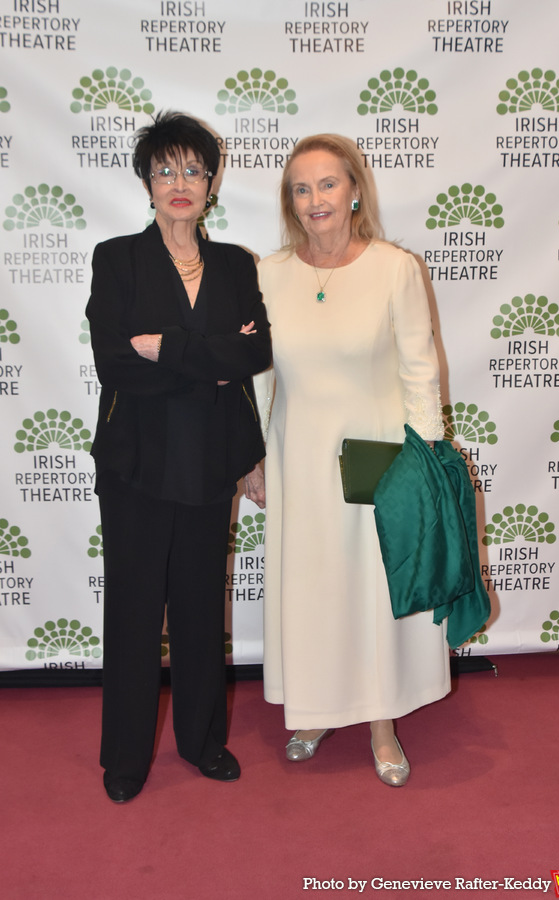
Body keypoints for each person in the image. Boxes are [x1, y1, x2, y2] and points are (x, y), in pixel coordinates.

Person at [246, 134, 449, 787]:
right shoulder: (268, 274)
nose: (315, 200)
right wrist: (253, 458)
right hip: (298, 458)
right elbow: (256, 378)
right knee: (312, 592)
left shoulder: (395, 267)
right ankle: (315, 709)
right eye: (301, 189)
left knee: (370, 593)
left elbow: (421, 370)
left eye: (327, 185)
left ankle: (382, 722)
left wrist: (425, 459)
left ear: (354, 189)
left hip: (378, 459)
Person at [86, 111, 271, 803]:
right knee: (135, 610)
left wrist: (166, 347)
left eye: (193, 168)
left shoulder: (233, 264)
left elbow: (254, 354)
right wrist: (208, 363)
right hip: (136, 462)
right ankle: (125, 758)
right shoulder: (117, 258)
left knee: (200, 608)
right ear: (145, 182)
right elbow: (114, 364)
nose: (180, 182)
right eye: (165, 169)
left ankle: (203, 742)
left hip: (208, 459)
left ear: (213, 180)